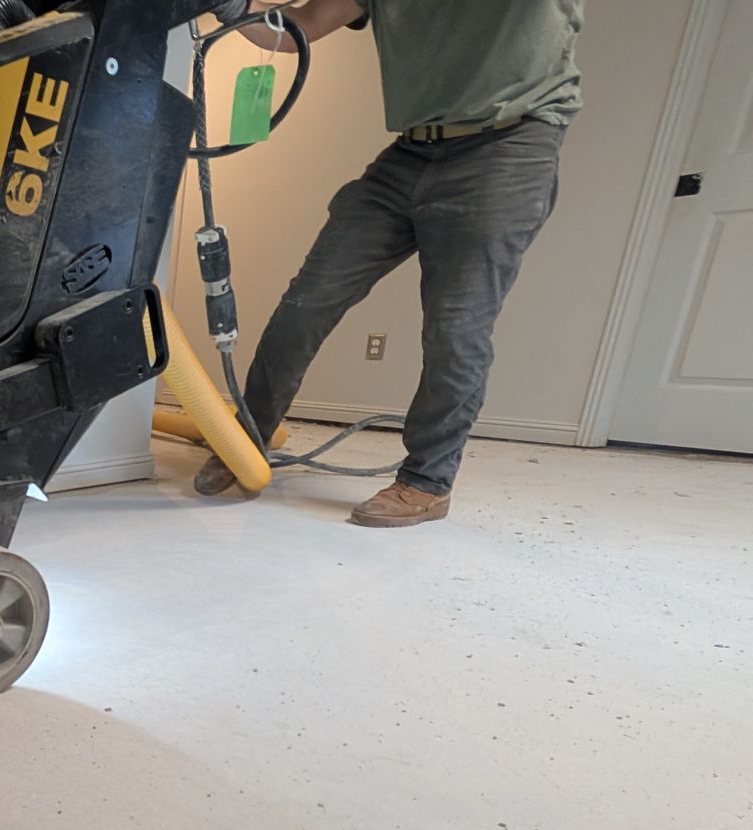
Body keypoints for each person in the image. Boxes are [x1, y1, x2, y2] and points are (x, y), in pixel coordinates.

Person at [195, 0, 584, 527]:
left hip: (507, 146)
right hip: (410, 152)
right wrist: (235, 7)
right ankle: (249, 439)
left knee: (455, 330)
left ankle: (427, 482)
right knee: (308, 301)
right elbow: (301, 29)